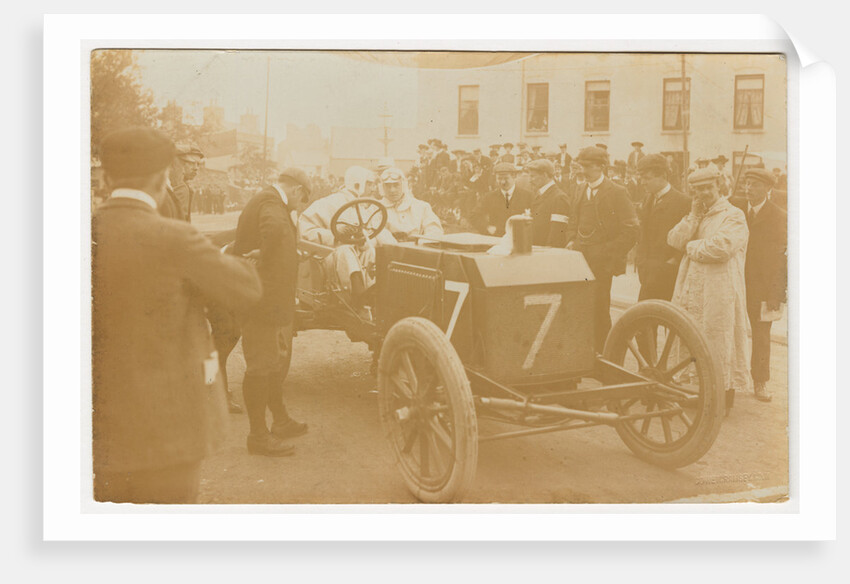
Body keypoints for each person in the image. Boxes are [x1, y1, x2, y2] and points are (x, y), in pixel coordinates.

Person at [92, 128, 262, 503]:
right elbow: (246, 290)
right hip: (168, 430)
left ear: (105, 179)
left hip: (95, 434)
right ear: (161, 178)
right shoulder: (175, 239)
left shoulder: (83, 232)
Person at [233, 167, 312, 456]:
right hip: (261, 303)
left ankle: (279, 421)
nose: (299, 205)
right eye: (302, 200)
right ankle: (258, 437)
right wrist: (264, 254)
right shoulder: (271, 203)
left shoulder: (268, 201)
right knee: (261, 366)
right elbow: (275, 229)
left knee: (273, 363)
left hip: (269, 302)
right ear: (297, 191)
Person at [667, 166, 749, 414]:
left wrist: (691, 246)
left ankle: (722, 400)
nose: (704, 193)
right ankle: (704, 395)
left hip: (720, 288)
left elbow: (721, 248)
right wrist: (692, 217)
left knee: (719, 338)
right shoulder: (698, 215)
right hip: (693, 287)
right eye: (698, 190)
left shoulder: (734, 215)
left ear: (719, 186)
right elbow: (673, 240)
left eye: (708, 188)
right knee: (696, 338)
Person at [564, 147, 639, 352]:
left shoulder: (617, 192)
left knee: (599, 309)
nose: (583, 171)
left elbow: (632, 230)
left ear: (601, 167)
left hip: (602, 263)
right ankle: (585, 352)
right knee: (581, 307)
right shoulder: (580, 189)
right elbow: (573, 220)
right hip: (580, 259)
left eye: (588, 167)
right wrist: (571, 239)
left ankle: (604, 356)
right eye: (581, 166)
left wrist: (606, 252)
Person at [299, 166, 378, 309]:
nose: (373, 189)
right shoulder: (327, 203)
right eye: (370, 184)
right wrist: (335, 236)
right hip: (325, 258)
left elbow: (367, 239)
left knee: (372, 251)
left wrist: (361, 240)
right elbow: (304, 230)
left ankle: (373, 294)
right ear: (357, 184)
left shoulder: (363, 207)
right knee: (345, 251)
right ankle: (357, 297)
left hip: (353, 258)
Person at [739, 168, 787, 402]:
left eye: (755, 185)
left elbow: (781, 258)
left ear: (768, 188)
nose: (748, 189)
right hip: (735, 282)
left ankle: (760, 382)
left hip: (762, 288)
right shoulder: (735, 208)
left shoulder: (779, 216)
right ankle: (728, 379)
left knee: (761, 335)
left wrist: (776, 293)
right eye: (747, 183)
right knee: (728, 331)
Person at [634, 154, 691, 302]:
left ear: (663, 176)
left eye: (647, 178)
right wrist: (641, 262)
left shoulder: (683, 202)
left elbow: (689, 238)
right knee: (643, 320)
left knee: (669, 320)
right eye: (641, 178)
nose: (642, 182)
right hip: (647, 272)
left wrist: (672, 262)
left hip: (668, 275)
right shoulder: (648, 199)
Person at [377, 167, 443, 241]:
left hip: (417, 249)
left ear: (403, 185)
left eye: (396, 185)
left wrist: (421, 244)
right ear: (382, 188)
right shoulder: (375, 209)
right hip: (388, 249)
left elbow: (434, 230)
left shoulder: (422, 207)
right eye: (388, 186)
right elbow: (376, 233)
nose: (392, 190)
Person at [471, 162, 533, 237]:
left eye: (506, 178)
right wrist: (486, 227)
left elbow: (536, 218)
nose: (503, 182)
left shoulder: (527, 196)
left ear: (514, 177)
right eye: (499, 179)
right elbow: (474, 216)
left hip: (520, 238)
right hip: (496, 239)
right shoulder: (489, 197)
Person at [524, 158, 572, 247]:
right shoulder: (540, 195)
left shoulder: (559, 198)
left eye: (533, 176)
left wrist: (547, 255)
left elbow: (557, 235)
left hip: (547, 253)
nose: (530, 180)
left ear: (545, 175)